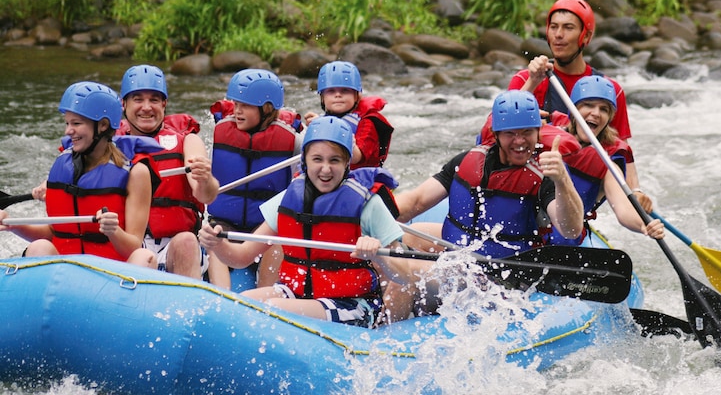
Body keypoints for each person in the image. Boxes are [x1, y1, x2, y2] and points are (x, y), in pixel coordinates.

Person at [198, 116, 415, 326]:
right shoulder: (287, 199)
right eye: (317, 159)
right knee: (241, 302)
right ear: (305, 160)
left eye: (335, 160)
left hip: (351, 304)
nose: (326, 169)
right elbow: (241, 257)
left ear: (348, 162)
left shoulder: (368, 204)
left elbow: (405, 276)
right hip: (295, 291)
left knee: (273, 308)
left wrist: (379, 255)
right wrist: (217, 244)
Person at [475, 0, 652, 211]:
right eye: (554, 27)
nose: (558, 35)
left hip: (574, 190)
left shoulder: (609, 90)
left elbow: (620, 149)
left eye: (568, 28)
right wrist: (532, 81)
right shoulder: (527, 79)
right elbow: (495, 133)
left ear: (585, 36)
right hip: (524, 184)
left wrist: (636, 191)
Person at [395, 90, 585, 258]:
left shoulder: (546, 173)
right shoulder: (467, 161)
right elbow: (416, 202)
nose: (519, 141)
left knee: (407, 272)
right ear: (496, 135)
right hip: (459, 255)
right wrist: (372, 213)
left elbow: (570, 230)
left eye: (527, 132)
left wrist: (562, 180)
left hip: (506, 271)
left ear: (538, 132)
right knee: (408, 234)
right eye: (510, 133)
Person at [0, 82, 160, 263]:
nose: (68, 131)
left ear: (103, 125)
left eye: (76, 123)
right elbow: (54, 232)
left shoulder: (136, 172)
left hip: (113, 273)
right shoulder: (63, 166)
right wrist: (11, 224)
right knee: (39, 247)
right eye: (67, 123)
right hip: (66, 271)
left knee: (144, 257)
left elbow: (133, 247)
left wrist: (114, 231)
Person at [205, 69, 305, 290]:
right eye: (236, 104)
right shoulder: (219, 133)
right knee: (214, 236)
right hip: (227, 225)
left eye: (246, 106)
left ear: (267, 108)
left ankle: (264, 296)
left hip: (264, 228)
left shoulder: (294, 142)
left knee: (278, 241)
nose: (237, 111)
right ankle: (222, 295)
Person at [118, 64, 219, 279]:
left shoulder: (187, 140)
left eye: (154, 100)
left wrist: (204, 180)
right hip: (129, 244)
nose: (146, 107)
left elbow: (205, 195)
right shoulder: (108, 145)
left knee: (186, 241)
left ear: (164, 104)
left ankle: (188, 307)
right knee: (141, 257)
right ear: (124, 104)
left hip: (176, 245)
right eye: (138, 99)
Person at [546, 76, 665, 245]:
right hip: (528, 233)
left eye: (604, 109)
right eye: (588, 105)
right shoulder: (548, 130)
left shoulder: (608, 163)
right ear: (573, 110)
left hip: (565, 240)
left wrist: (644, 225)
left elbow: (623, 209)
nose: (596, 113)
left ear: (609, 118)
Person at [304, 61, 394, 169]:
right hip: (331, 175)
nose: (338, 95)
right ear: (322, 98)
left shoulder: (367, 122)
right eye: (331, 91)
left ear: (356, 96)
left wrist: (326, 128)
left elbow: (357, 158)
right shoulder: (322, 120)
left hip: (361, 179)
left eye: (345, 90)